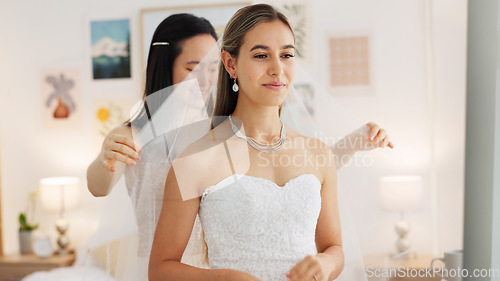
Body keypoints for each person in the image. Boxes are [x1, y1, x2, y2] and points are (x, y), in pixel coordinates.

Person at [148, 4, 383, 281]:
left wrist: (325, 264)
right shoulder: (196, 159)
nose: (277, 69)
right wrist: (225, 278)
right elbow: (160, 269)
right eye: (261, 55)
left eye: (286, 55)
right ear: (230, 63)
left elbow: (335, 248)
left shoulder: (318, 153)